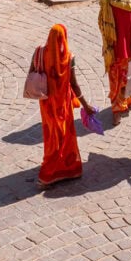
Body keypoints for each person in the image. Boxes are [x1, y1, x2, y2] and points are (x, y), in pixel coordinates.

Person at [37, 23, 95, 188]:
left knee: (51, 137)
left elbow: (35, 70)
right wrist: (86, 105)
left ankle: (54, 165)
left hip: (47, 104)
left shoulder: (39, 52)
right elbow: (74, 85)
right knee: (64, 135)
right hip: (62, 105)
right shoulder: (69, 58)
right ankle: (54, 172)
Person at [98, 0, 131, 126]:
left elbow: (103, 26)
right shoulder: (130, 9)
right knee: (127, 79)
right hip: (127, 53)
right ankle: (129, 100)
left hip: (113, 53)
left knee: (115, 82)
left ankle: (117, 112)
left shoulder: (106, 6)